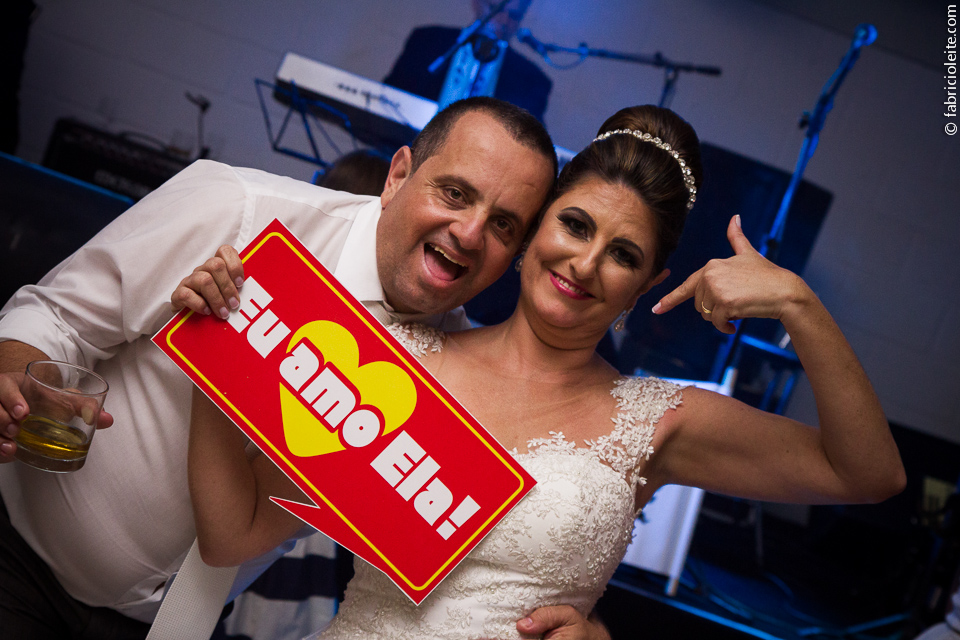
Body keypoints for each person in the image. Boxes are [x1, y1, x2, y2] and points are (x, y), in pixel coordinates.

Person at [180, 104, 906, 639]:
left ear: (648, 284)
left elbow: (868, 475)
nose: (585, 264)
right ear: (534, 228)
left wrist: (798, 305)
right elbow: (233, 533)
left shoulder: (661, 421)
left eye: (624, 255)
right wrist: (215, 357)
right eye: (576, 225)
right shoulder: (399, 361)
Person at [0, 96, 608, 640]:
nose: (470, 233)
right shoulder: (240, 210)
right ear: (398, 176)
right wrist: (20, 379)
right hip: (18, 563)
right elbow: (56, 316)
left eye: (503, 224)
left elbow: (476, 561)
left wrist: (583, 627)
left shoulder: (451, 382)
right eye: (454, 192)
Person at [384, 0, 552, 121]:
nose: (504, 21)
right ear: (476, 3)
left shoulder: (532, 80)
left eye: (514, 16)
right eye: (496, 9)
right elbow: (388, 98)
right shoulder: (427, 41)